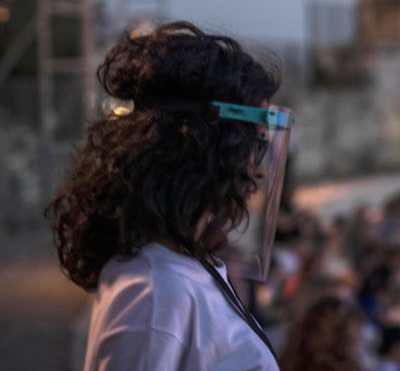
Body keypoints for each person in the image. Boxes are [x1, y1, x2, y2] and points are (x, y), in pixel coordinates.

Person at [46, 22, 292, 370]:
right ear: (204, 149)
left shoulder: (181, 270)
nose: (260, 170)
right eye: (254, 145)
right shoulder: (156, 291)